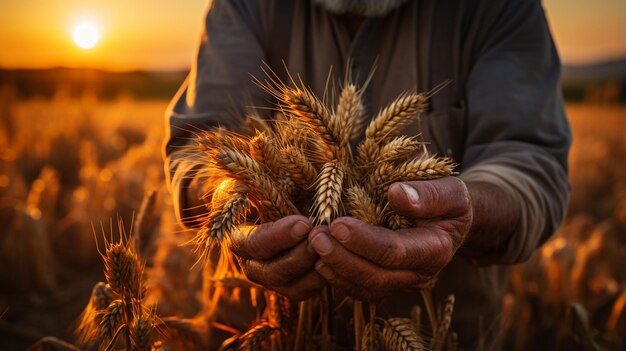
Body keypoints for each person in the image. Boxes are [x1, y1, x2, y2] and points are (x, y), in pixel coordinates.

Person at [164, 0, 571, 349]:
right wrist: (229, 195)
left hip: (440, 336)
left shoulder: (501, 8)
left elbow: (528, 159)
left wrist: (468, 208)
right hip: (262, 330)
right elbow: (201, 145)